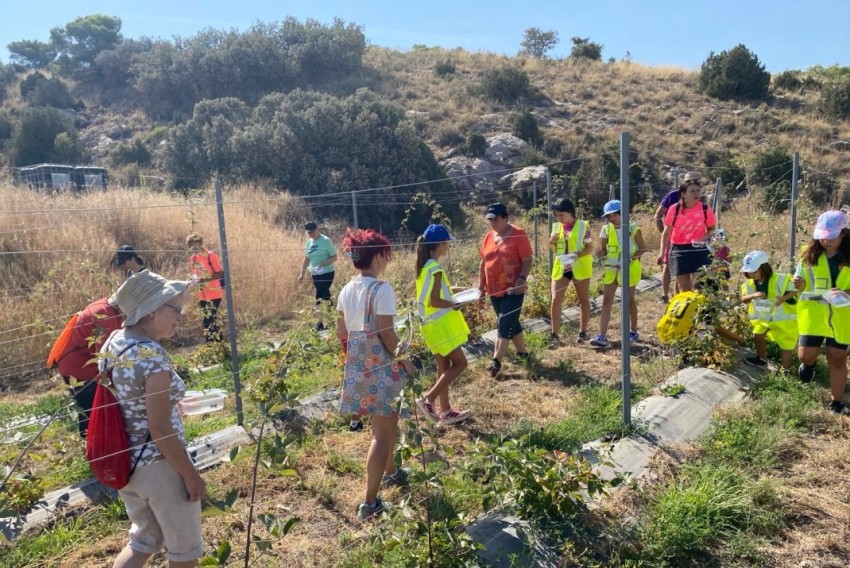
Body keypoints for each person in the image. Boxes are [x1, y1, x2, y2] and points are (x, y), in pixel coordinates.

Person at [103, 270, 205, 566]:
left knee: (143, 541)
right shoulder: (151, 356)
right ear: (151, 311)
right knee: (184, 552)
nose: (180, 317)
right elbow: (159, 428)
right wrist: (191, 475)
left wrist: (171, 403)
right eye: (175, 309)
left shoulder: (114, 343)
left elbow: (130, 401)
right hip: (161, 466)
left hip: (129, 464)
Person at [336, 228, 416, 521]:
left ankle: (391, 471)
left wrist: (357, 361)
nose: (387, 261)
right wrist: (406, 362)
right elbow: (387, 335)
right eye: (387, 255)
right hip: (382, 368)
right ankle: (369, 503)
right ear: (379, 256)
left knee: (385, 427)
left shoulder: (346, 290)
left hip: (358, 367)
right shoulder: (382, 290)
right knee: (382, 436)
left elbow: (341, 332)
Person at [792, 210, 850, 414]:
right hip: (814, 314)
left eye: (831, 236)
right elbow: (800, 281)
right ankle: (809, 365)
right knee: (805, 356)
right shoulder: (809, 254)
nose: (826, 241)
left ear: (843, 233)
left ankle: (837, 402)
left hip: (841, 316)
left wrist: (845, 293)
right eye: (822, 236)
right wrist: (798, 284)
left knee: (837, 358)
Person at [413, 224, 471, 425]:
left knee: (444, 366)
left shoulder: (425, 267)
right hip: (440, 325)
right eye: (447, 243)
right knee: (461, 363)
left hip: (429, 326)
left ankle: (445, 411)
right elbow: (435, 300)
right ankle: (428, 399)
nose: (448, 246)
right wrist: (455, 303)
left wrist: (464, 290)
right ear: (440, 244)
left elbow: (441, 290)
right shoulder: (436, 269)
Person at [50, 296, 124, 437]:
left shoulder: (107, 305)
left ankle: (93, 441)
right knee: (89, 410)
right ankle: (90, 442)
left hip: (74, 362)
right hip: (79, 368)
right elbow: (106, 356)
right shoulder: (105, 316)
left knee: (90, 408)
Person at [477, 203, 533, 377]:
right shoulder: (488, 237)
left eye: (495, 219)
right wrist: (481, 287)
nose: (492, 223)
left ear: (505, 218)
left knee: (504, 322)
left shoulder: (518, 233)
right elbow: (483, 263)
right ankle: (523, 354)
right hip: (494, 289)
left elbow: (527, 259)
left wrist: (522, 278)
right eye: (490, 220)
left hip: (513, 288)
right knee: (511, 322)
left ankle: (496, 361)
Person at [590, 200, 646, 348]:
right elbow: (604, 250)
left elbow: (642, 248)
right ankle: (602, 335)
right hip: (611, 269)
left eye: (614, 215)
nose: (612, 218)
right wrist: (600, 253)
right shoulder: (606, 230)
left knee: (629, 301)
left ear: (622, 213)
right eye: (609, 216)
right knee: (606, 301)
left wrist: (630, 259)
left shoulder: (633, 228)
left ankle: (632, 331)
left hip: (629, 269)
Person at [657, 173, 717, 293]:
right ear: (683, 194)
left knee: (701, 286)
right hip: (679, 250)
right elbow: (666, 232)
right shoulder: (674, 209)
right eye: (692, 191)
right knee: (684, 289)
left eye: (698, 191)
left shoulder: (705, 208)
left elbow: (711, 229)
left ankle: (701, 305)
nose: (696, 194)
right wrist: (662, 253)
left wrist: (703, 238)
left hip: (700, 249)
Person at [739, 251, 798, 370]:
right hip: (763, 318)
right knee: (757, 335)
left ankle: (785, 370)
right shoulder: (749, 284)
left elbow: (795, 290)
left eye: (754, 271)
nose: (751, 275)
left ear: (764, 268)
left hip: (783, 319)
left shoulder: (781, 279)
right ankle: (762, 359)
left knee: (785, 345)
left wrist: (783, 298)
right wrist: (754, 295)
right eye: (749, 272)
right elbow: (744, 299)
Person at [549, 198, 593, 344]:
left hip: (580, 266)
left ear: (570, 212)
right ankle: (554, 335)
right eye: (556, 216)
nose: (559, 218)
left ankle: (582, 332)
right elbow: (554, 250)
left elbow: (590, 248)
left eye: (561, 215)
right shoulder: (556, 227)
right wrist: (551, 242)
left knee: (583, 299)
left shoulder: (583, 226)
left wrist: (578, 254)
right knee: (555, 300)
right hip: (562, 267)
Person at [653, 176, 688, 303]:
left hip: (687, 239)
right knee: (666, 265)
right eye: (688, 181)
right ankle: (665, 295)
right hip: (671, 238)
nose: (692, 184)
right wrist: (664, 233)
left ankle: (677, 294)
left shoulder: (697, 198)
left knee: (682, 268)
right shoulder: (672, 196)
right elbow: (658, 216)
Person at [298, 222, 338, 331]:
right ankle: (332, 321)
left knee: (319, 296)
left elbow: (334, 257)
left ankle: (320, 322)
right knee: (326, 296)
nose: (311, 234)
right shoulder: (308, 243)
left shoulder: (326, 240)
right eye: (309, 232)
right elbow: (307, 259)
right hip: (315, 274)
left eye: (312, 231)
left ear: (317, 229)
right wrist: (302, 273)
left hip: (327, 272)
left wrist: (323, 263)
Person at [187, 233, 225, 343]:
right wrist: (192, 280)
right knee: (212, 320)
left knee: (207, 321)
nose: (192, 249)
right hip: (202, 295)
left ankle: (209, 346)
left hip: (214, 294)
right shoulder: (193, 258)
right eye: (190, 247)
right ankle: (220, 345)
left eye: (193, 246)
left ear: (200, 243)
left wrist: (203, 280)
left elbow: (220, 274)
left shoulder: (210, 256)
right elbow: (195, 274)